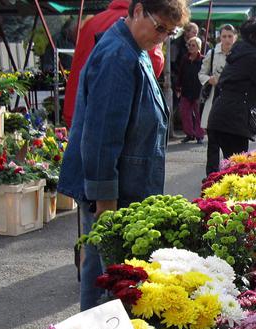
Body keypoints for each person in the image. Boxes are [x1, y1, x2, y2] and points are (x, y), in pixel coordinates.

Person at [57, 0, 187, 311]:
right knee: (113, 281)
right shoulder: (118, 57)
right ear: (138, 10)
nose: (162, 37)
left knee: (99, 274)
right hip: (116, 192)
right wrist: (105, 203)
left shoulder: (133, 47)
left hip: (125, 184)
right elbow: (102, 136)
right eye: (159, 28)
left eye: (170, 33)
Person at [63, 0, 165, 128]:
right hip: (116, 114)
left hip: (80, 108)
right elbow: (153, 69)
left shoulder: (92, 23)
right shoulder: (139, 23)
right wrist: (159, 47)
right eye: (162, 29)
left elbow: (78, 66)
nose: (163, 35)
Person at [206, 18, 256, 165]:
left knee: (218, 168)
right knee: (236, 168)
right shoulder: (253, 57)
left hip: (219, 116)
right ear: (253, 36)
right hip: (234, 121)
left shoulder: (239, 52)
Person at [199, 23, 237, 176]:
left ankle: (230, 174)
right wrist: (209, 79)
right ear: (220, 37)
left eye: (230, 36)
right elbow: (201, 74)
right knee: (213, 144)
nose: (227, 40)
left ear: (235, 37)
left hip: (232, 103)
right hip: (214, 101)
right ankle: (212, 175)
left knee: (230, 144)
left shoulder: (239, 54)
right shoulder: (213, 53)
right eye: (224, 36)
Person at [176, 36, 205, 143]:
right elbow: (181, 73)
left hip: (198, 91)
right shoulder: (185, 59)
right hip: (186, 90)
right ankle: (189, 134)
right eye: (189, 45)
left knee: (198, 114)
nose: (191, 47)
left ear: (198, 47)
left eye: (193, 45)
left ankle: (199, 135)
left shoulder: (203, 60)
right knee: (185, 113)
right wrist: (178, 87)